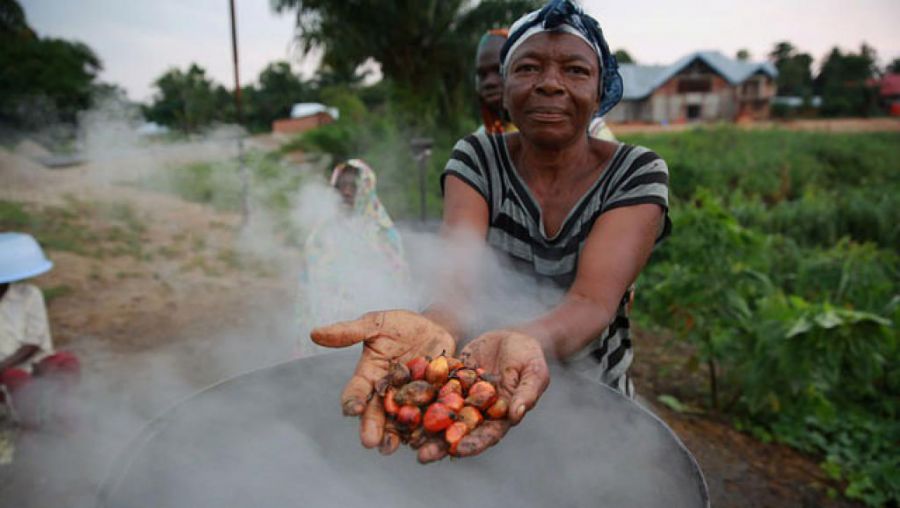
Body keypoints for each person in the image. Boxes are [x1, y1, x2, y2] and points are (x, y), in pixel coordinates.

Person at [311, 0, 670, 463]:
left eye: (575, 70)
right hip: (485, 380)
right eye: (529, 67)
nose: (550, 83)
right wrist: (436, 327)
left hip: (591, 396)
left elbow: (591, 302)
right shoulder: (477, 158)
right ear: (504, 88)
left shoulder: (636, 171)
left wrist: (526, 341)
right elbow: (458, 282)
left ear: (600, 88)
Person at [297, 159, 409, 354]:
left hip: (370, 333)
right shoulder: (320, 235)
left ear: (367, 188)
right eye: (341, 186)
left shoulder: (384, 234)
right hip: (327, 332)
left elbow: (398, 285)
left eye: (353, 186)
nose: (347, 192)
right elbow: (307, 287)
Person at [475, 26, 617, 141]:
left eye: (498, 71)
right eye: (482, 74)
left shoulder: (593, 134)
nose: (489, 82)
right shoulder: (482, 142)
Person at [0, 233, 80, 429]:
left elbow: (34, 341)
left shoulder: (29, 295)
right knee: (17, 381)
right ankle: (29, 430)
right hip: (9, 373)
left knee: (67, 362)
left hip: (27, 361)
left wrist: (6, 364)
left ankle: (61, 415)